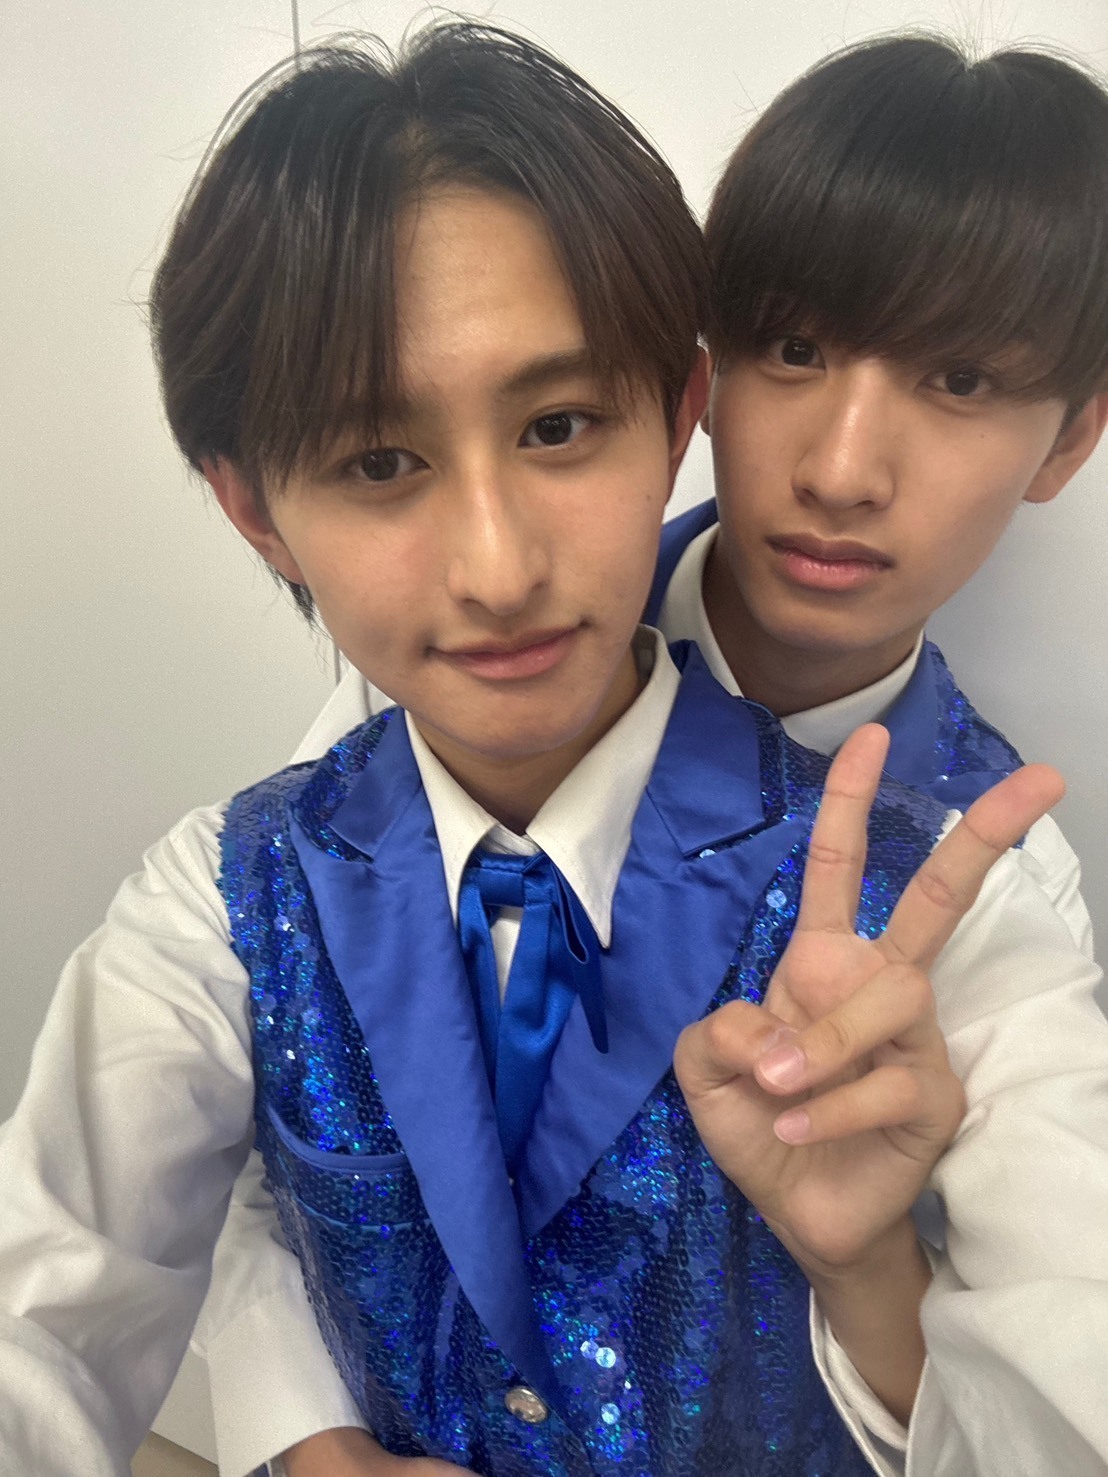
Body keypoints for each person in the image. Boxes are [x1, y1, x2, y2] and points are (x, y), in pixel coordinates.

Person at [194, 33, 1108, 1477]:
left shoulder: (995, 886)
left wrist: (873, 1270)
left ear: (1069, 442)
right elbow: (292, 1077)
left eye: (961, 377)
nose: (842, 467)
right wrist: (303, 1434)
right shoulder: (462, 652)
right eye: (791, 348)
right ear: (701, 378)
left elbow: (1050, 1362)